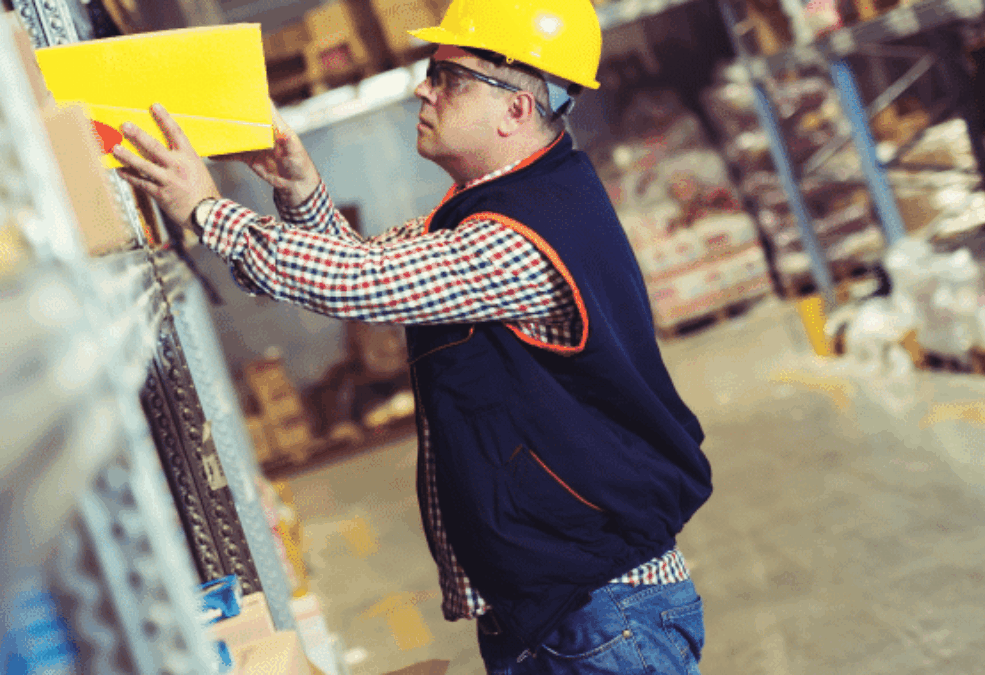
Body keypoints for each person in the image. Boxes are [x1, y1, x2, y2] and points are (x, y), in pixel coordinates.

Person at [113, 0, 713, 672]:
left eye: (448, 77)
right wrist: (302, 192)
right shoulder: (495, 212)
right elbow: (377, 272)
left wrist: (203, 208)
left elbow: (360, 281)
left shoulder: (516, 238)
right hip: (564, 606)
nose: (422, 89)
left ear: (517, 108)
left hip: (601, 613)